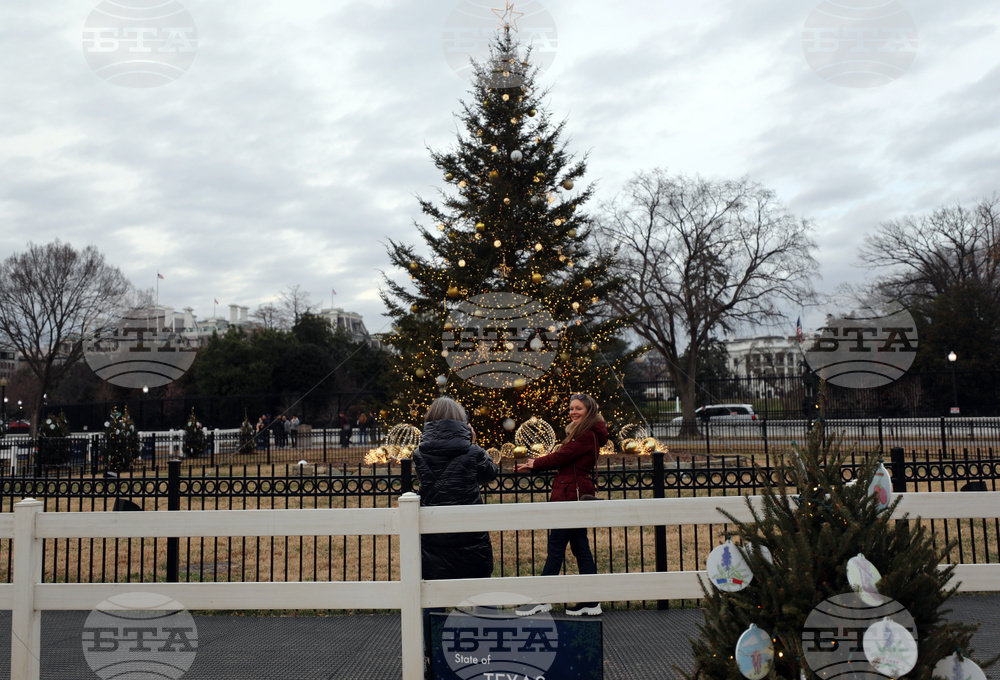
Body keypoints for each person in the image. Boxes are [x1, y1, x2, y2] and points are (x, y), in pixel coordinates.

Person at [411, 396, 499, 671]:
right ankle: (487, 654)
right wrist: (475, 444)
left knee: (432, 600)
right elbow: (490, 474)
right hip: (470, 538)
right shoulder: (472, 452)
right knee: (482, 596)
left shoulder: (419, 452)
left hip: (435, 540)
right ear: (462, 421)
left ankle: (431, 657)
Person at [514, 393, 607, 617]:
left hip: (570, 494)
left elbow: (561, 457)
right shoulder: (586, 433)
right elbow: (564, 458)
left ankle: (542, 600)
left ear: (589, 411)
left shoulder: (585, 435)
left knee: (556, 547)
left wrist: (534, 463)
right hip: (573, 490)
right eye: (570, 408)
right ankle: (591, 601)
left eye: (578, 409)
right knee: (580, 547)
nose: (573, 412)